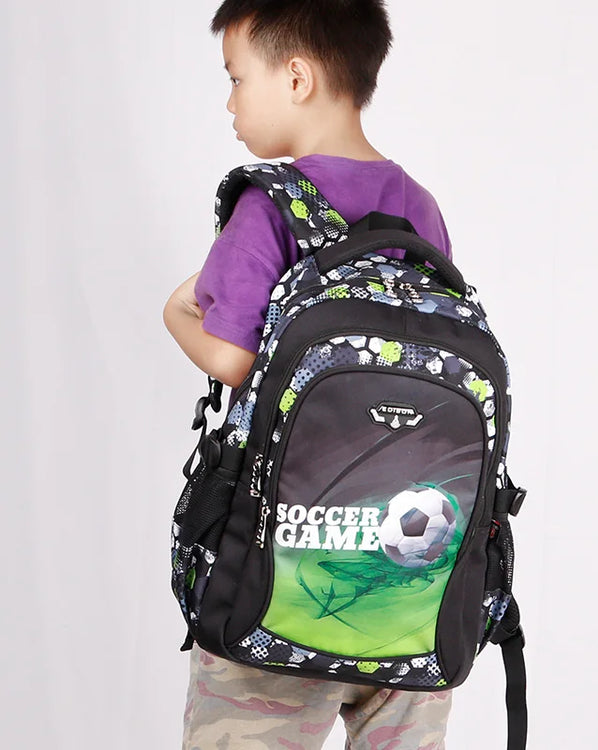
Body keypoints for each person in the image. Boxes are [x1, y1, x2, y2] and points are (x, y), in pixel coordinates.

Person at [163, 2, 454, 748]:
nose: (230, 102)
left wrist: (175, 312)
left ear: (296, 78)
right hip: (408, 596)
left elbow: (233, 357)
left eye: (237, 78)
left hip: (279, 584)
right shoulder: (418, 207)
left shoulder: (267, 205)